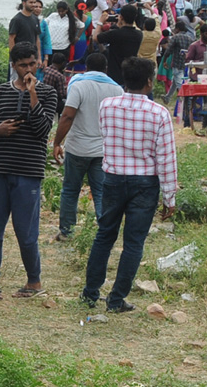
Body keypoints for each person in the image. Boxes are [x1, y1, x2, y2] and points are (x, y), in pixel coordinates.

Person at [82, 58, 178, 312]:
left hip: (113, 178)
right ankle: (116, 299)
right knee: (133, 243)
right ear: (149, 81)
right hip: (145, 183)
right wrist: (170, 197)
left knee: (104, 235)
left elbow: (106, 136)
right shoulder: (159, 113)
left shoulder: (107, 106)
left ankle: (90, 293)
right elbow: (166, 158)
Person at [0, 43, 58, 298]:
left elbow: (42, 130)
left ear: (38, 63)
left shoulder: (48, 93)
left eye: (32, 64)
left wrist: (33, 94)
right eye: (23, 65)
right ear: (13, 66)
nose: (28, 69)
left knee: (26, 233)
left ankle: (34, 282)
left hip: (28, 171)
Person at [53, 53, 122, 241]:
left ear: (86, 68)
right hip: (102, 150)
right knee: (100, 192)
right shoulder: (117, 90)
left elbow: (67, 116)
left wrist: (57, 142)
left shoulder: (78, 85)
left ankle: (67, 232)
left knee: (70, 190)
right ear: (106, 69)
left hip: (77, 148)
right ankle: (104, 232)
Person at [95, 5, 146, 88]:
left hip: (114, 75)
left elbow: (95, 38)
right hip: (129, 73)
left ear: (121, 17)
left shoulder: (115, 34)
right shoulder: (139, 34)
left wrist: (100, 22)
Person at [162, 21, 196, 105]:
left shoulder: (175, 37)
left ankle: (185, 102)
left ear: (177, 29)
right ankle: (167, 97)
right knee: (175, 81)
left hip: (176, 63)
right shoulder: (190, 39)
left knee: (179, 84)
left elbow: (168, 50)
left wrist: (165, 60)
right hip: (185, 64)